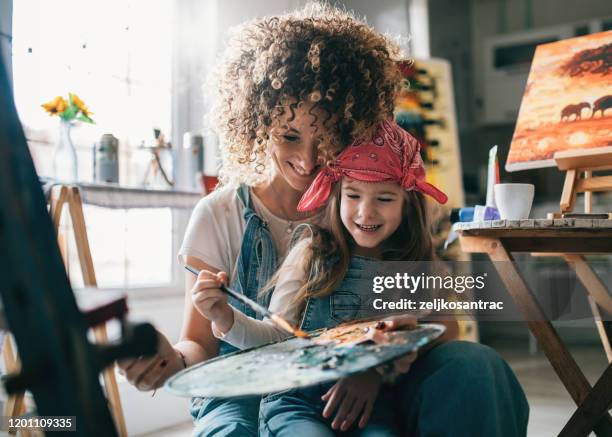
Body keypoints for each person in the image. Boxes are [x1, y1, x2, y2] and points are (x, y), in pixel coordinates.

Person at [117, 4, 405, 436]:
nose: (307, 160)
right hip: (234, 392)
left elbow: (404, 312)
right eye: (289, 136)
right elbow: (200, 343)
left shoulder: (357, 213)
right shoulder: (218, 214)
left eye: (324, 138)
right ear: (254, 123)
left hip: (326, 393)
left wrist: (374, 367)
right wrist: (169, 362)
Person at [194, 120, 529, 437]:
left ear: (406, 204)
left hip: (373, 408)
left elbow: (441, 337)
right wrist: (225, 318)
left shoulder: (417, 269)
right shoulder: (310, 254)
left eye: (384, 198)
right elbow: (273, 338)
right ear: (336, 195)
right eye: (353, 196)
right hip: (297, 404)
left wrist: (378, 368)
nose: (366, 212)